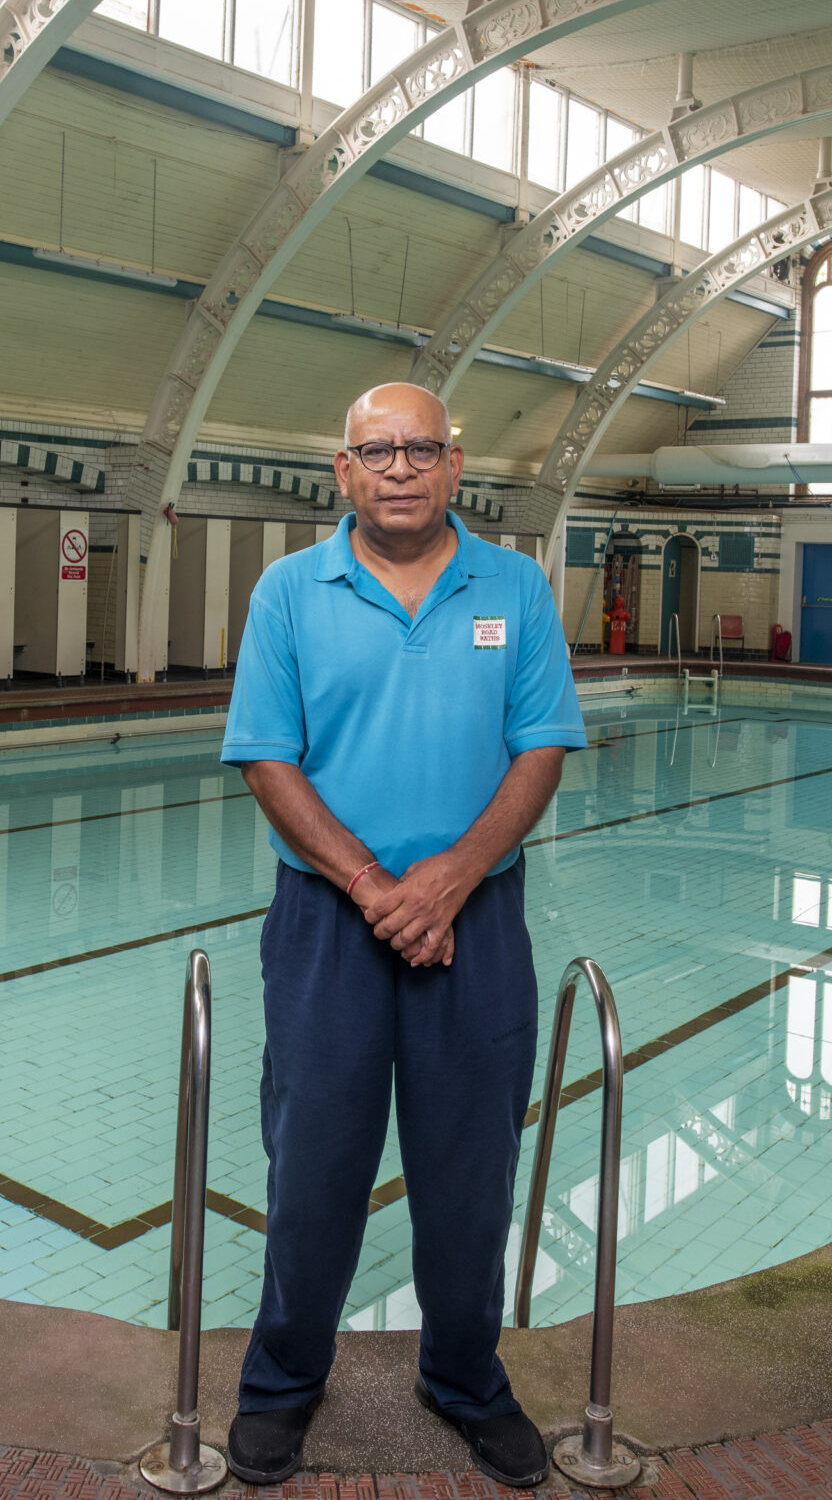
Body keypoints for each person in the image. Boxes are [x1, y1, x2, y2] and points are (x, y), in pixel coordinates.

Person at [217, 381, 585, 1487]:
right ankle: (282, 1379)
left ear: (453, 465)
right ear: (343, 470)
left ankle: (465, 1375)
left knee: (469, 1168)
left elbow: (541, 749)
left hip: (477, 922)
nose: (400, 469)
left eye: (420, 448)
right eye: (377, 451)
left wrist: (451, 877)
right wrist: (379, 885)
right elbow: (265, 757)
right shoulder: (289, 591)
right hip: (331, 921)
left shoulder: (513, 588)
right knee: (314, 1165)